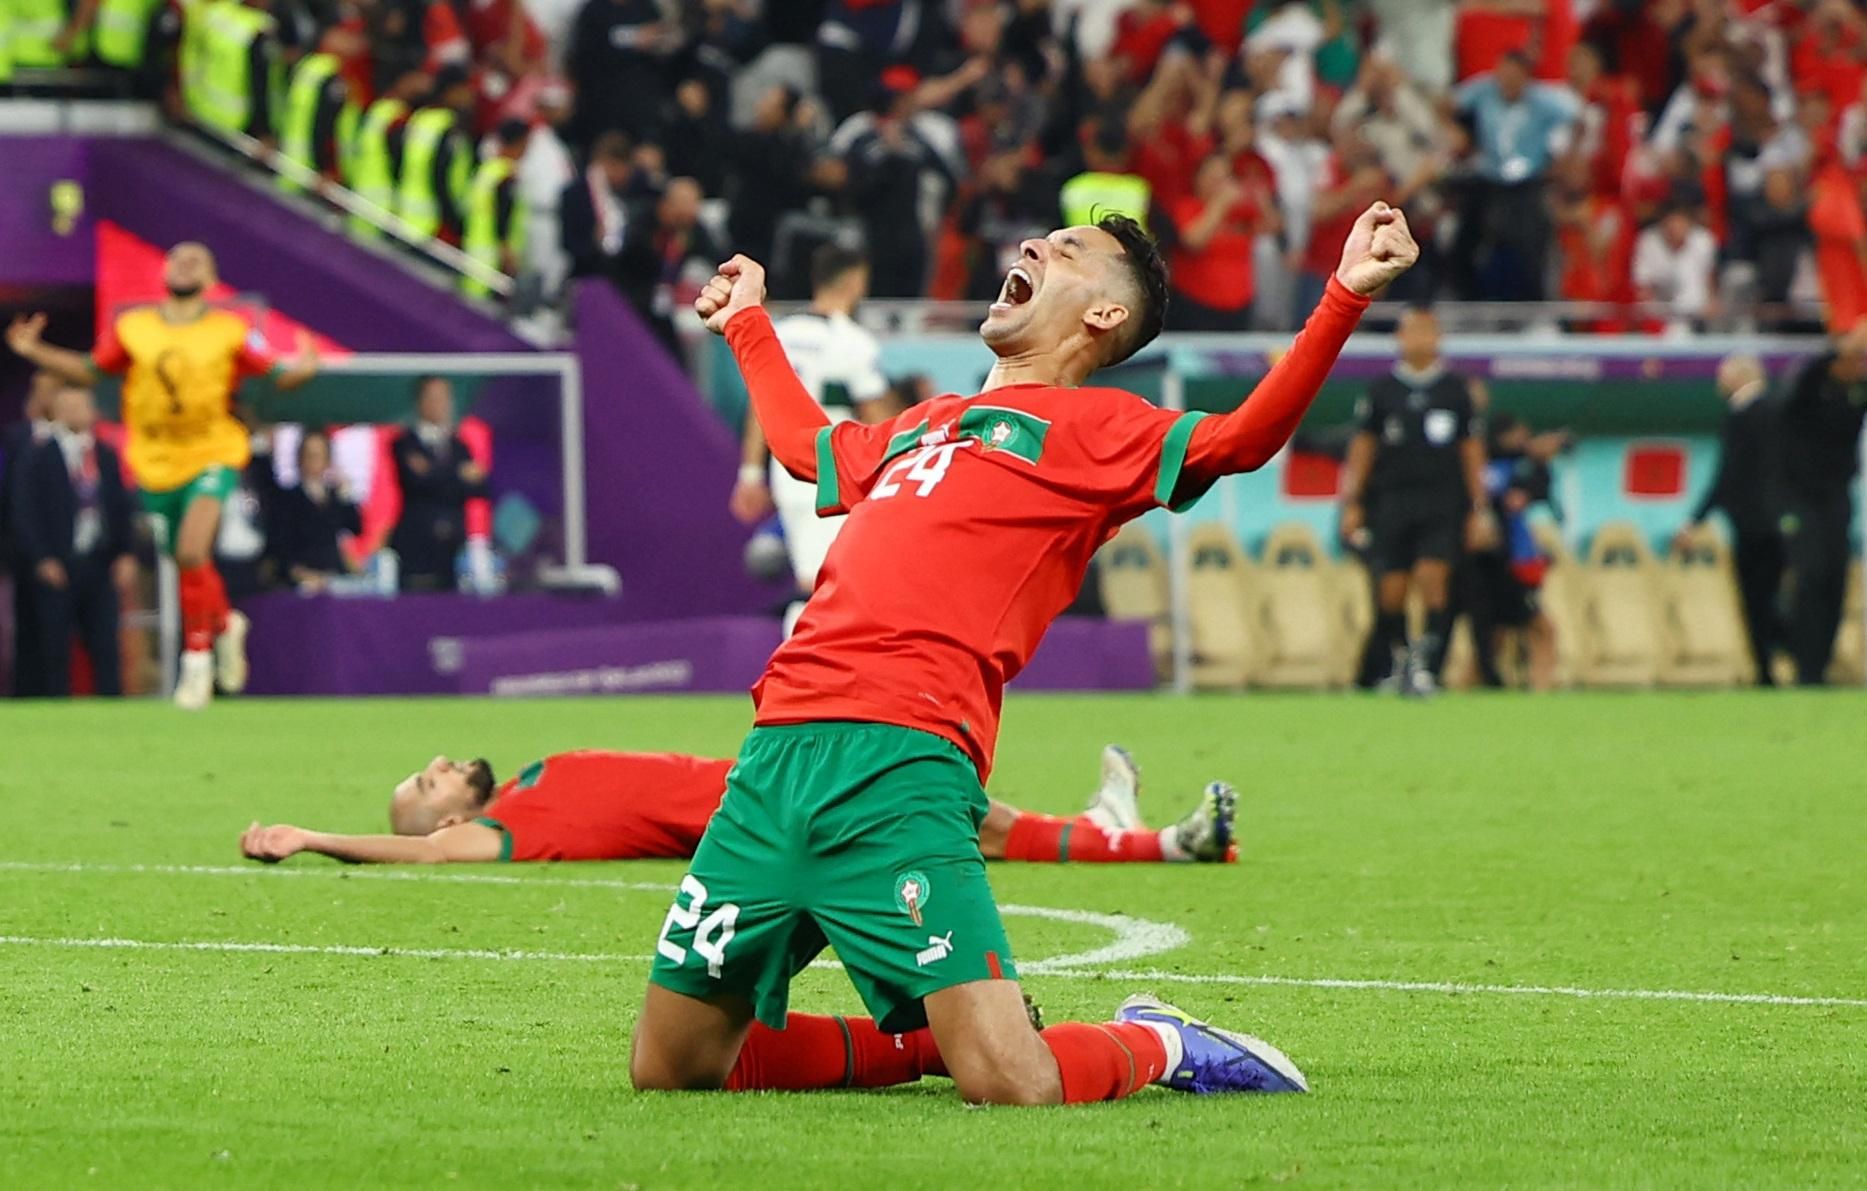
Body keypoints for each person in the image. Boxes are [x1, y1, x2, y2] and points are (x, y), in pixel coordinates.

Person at [634, 200, 1416, 1106]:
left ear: (1104, 316)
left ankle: (1155, 1042)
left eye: (1070, 249)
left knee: (1013, 1083)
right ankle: (925, 1047)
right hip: (772, 758)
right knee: (675, 1064)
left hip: (902, 759)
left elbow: (1240, 439)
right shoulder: (926, 420)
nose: (1035, 245)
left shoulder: (1101, 431)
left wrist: (1342, 296)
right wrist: (745, 323)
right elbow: (813, 451)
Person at [5, 242, 318, 710]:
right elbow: (92, 370)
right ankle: (223, 624)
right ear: (164, 271)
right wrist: (35, 350)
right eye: (177, 258)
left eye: (197, 259)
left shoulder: (228, 331)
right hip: (156, 460)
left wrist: (305, 366)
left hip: (213, 449)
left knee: (193, 550)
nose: (185, 263)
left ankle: (196, 665)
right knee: (188, 561)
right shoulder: (135, 329)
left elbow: (275, 372)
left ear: (211, 279)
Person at [237, 744, 1239, 867]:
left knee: (950, 800)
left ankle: (1131, 833)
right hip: (776, 807)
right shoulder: (504, 831)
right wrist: (313, 838)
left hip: (773, 770)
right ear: (453, 818)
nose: (444, 766)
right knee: (943, 809)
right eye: (429, 784)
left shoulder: (535, 777)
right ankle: (1143, 842)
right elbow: (428, 859)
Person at [728, 244, 892, 612]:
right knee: (828, 578)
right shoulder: (852, 341)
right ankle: (804, 655)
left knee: (812, 567)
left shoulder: (781, 335)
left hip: (787, 464)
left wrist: (752, 472)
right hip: (839, 465)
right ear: (854, 281)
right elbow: (875, 410)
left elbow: (761, 406)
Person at [1339, 307, 1493, 696]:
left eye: (1427, 331)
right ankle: (1399, 660)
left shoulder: (1456, 391)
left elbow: (1471, 452)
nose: (1420, 339)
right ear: (1400, 338)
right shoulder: (1382, 391)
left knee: (1433, 579)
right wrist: (1352, 501)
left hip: (1441, 503)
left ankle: (1428, 668)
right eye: (1412, 331)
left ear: (1438, 337)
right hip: (1390, 503)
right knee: (1390, 589)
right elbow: (1363, 448)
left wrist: (1480, 509)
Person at [8, 385, 137, 697]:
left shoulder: (105, 455)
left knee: (105, 642)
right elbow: (23, 509)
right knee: (53, 645)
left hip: (99, 560)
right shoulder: (38, 455)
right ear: (57, 412)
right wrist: (41, 558)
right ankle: (55, 708)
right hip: (58, 563)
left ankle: (113, 708)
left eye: (82, 405)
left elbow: (121, 507)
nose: (77, 412)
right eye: (69, 406)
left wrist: (126, 552)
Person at [1674, 355, 1784, 687]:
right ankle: (1786, 658)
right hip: (1784, 521)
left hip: (1752, 524)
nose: (1718, 383)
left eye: (1722, 376)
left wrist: (1694, 520)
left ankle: (1766, 670)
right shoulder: (1779, 412)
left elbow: (1728, 476)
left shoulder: (1742, 415)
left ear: (1739, 378)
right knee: (1774, 595)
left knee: (1755, 599)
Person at [1775, 326, 1867, 686]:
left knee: (1835, 582)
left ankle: (1821, 665)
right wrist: (1838, 349)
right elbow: (1803, 383)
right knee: (1809, 579)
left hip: (1838, 499)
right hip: (1803, 499)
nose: (1855, 367)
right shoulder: (1808, 396)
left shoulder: (1852, 399)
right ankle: (1804, 664)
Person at [389, 376, 487, 591]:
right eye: (433, 398)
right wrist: (457, 474)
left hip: (453, 550)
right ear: (419, 401)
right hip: (417, 548)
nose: (439, 404)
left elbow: (478, 488)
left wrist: (433, 472)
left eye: (444, 398)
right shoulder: (405, 443)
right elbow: (416, 483)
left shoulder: (460, 446)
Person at [3, 372, 61, 697]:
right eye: (43, 391)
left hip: (69, 553)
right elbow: (13, 499)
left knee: (59, 635)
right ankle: (23, 693)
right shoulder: (17, 438)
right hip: (22, 552)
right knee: (25, 629)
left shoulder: (83, 441)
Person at [264, 429, 362, 592]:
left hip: (333, 578)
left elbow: (356, 527)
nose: (313, 461)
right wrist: (297, 572)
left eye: (319, 456)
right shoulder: (286, 498)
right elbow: (279, 543)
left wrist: (346, 497)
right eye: (309, 455)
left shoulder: (335, 496)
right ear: (299, 459)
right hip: (300, 581)